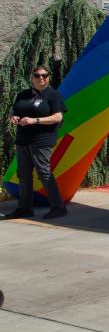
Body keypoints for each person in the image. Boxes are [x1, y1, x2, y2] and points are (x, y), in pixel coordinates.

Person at [3, 64, 68, 220]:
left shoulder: (53, 95)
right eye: (37, 75)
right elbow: (15, 112)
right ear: (32, 78)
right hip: (23, 140)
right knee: (23, 174)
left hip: (42, 140)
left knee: (44, 173)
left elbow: (58, 117)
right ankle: (25, 209)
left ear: (48, 78)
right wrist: (14, 118)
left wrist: (35, 120)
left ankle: (58, 207)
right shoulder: (23, 95)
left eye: (44, 75)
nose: (41, 78)